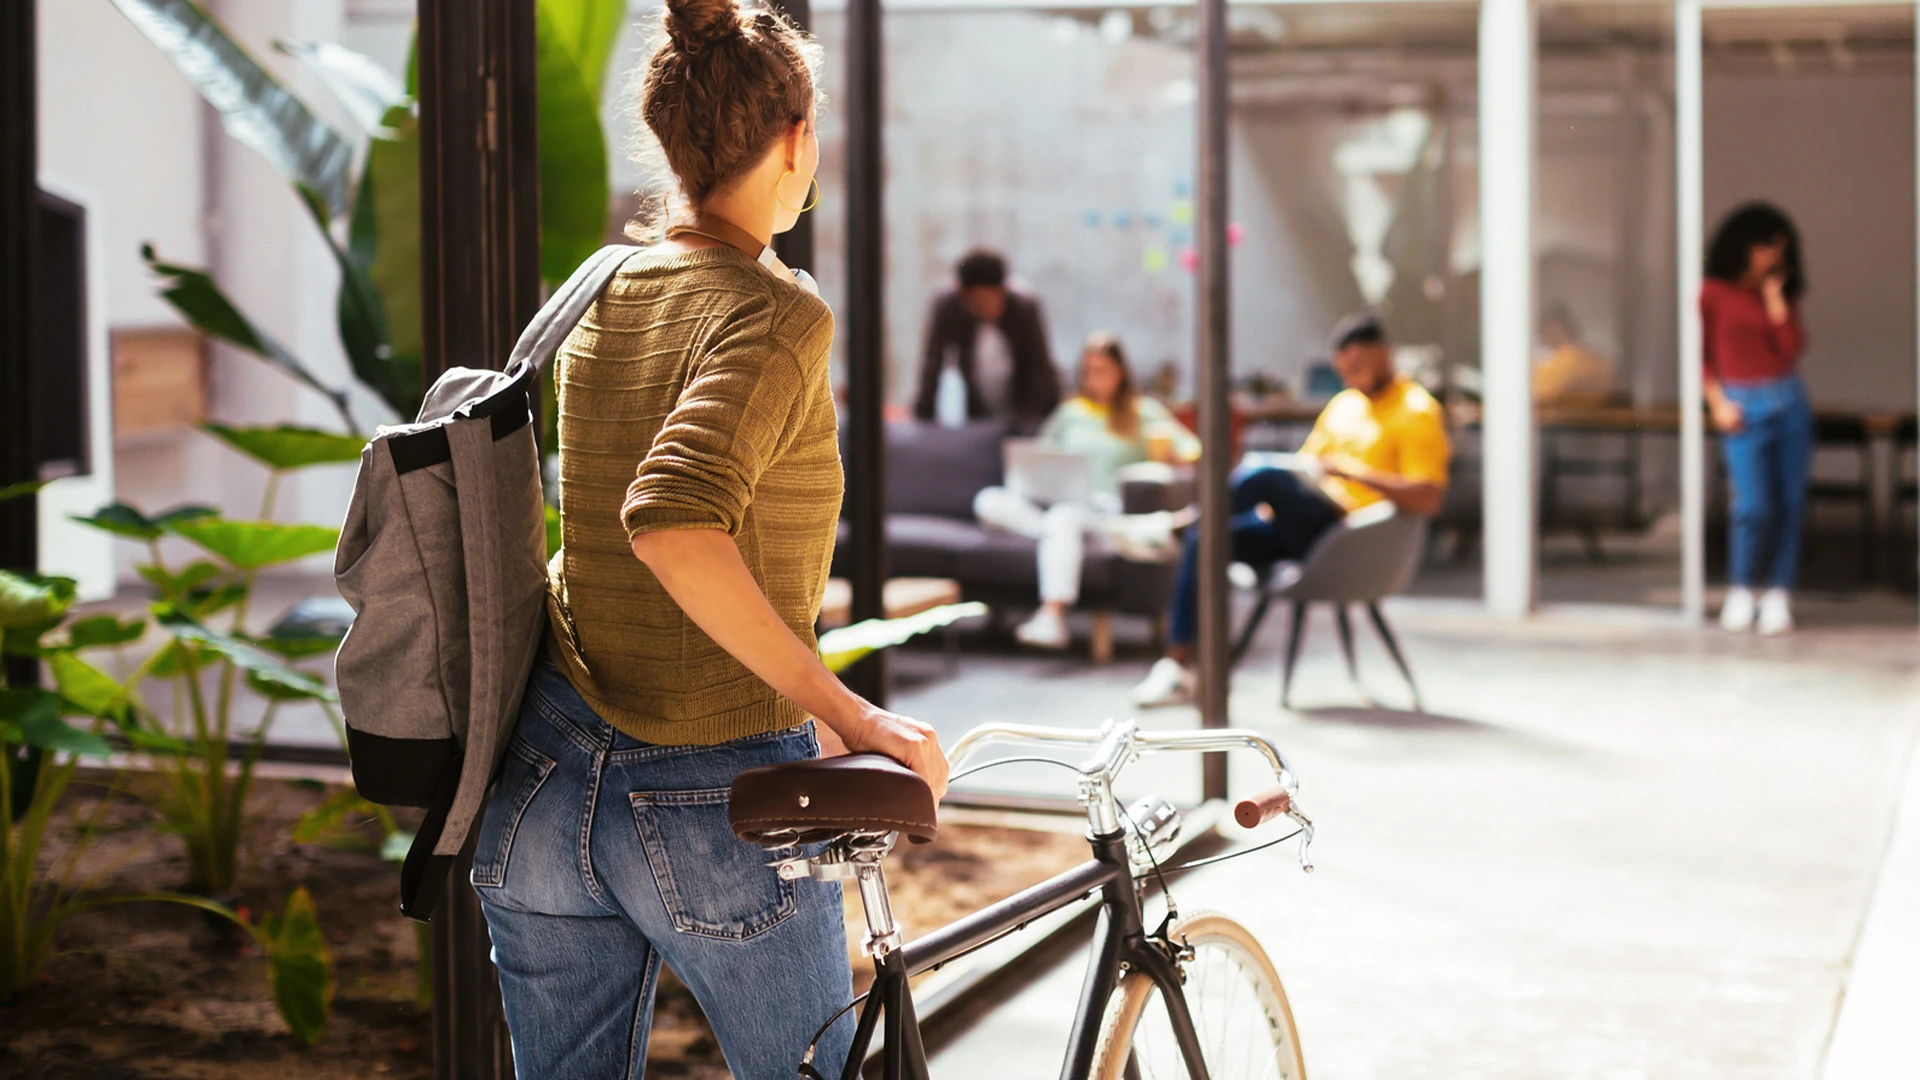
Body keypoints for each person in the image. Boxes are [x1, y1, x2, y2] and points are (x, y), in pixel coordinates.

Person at [469, 2, 949, 1076]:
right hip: (711, 793)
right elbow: (672, 519)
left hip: (542, 778)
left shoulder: (602, 290)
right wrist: (845, 709)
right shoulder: (778, 313)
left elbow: (605, 526)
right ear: (793, 143)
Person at [1133, 313, 1450, 707]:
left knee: (1262, 473)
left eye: (1356, 367)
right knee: (1208, 540)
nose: (1350, 378)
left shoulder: (1416, 409)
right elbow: (1306, 466)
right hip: (1305, 527)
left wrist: (1354, 472)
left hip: (1351, 534)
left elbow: (1429, 497)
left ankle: (1181, 524)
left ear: (1383, 353)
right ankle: (1178, 666)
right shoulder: (1344, 405)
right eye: (1343, 371)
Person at [973, 333, 1201, 649]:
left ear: (1120, 373)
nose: (1092, 379)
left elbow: (1192, 447)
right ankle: (1059, 538)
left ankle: (1052, 616)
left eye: (1101, 371)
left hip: (1103, 509)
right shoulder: (1070, 412)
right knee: (988, 501)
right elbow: (1039, 456)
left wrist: (1166, 455)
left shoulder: (1141, 410)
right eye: (1087, 371)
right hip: (1056, 502)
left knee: (1064, 518)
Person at [1702, 202, 1809, 636]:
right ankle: (1743, 587)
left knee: (1790, 503)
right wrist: (1716, 402)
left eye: (1781, 250)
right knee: (1751, 505)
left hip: (1788, 401)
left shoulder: (1779, 292)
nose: (1774, 258)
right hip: (1742, 404)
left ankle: (1779, 592)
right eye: (1768, 248)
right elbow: (1702, 354)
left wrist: (1775, 300)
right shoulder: (1712, 292)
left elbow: (1790, 350)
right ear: (1745, 246)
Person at [911, 250, 1062, 432]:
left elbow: (1040, 371)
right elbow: (932, 366)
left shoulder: (1024, 307)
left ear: (1003, 289)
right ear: (964, 297)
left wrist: (1029, 426)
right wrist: (924, 424)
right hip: (979, 410)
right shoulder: (948, 308)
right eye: (977, 302)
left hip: (1024, 407)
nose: (986, 308)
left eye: (990, 300)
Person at [1533, 303, 1616, 406]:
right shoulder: (1589, 358)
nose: (1542, 336)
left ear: (1556, 328)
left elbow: (1539, 392)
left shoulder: (1569, 359)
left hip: (1575, 418)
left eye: (1544, 330)